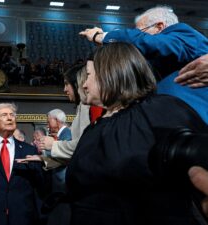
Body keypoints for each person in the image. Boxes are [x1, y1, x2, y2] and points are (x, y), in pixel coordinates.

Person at [66, 42, 208, 225]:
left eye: (89, 75)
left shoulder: (161, 111)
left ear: (111, 72)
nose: (84, 85)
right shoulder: (94, 128)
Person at [79, 5, 208, 124]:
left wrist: (104, 36)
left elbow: (149, 43)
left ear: (159, 27)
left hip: (194, 124)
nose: (137, 37)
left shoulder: (184, 34)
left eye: (140, 31)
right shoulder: (163, 56)